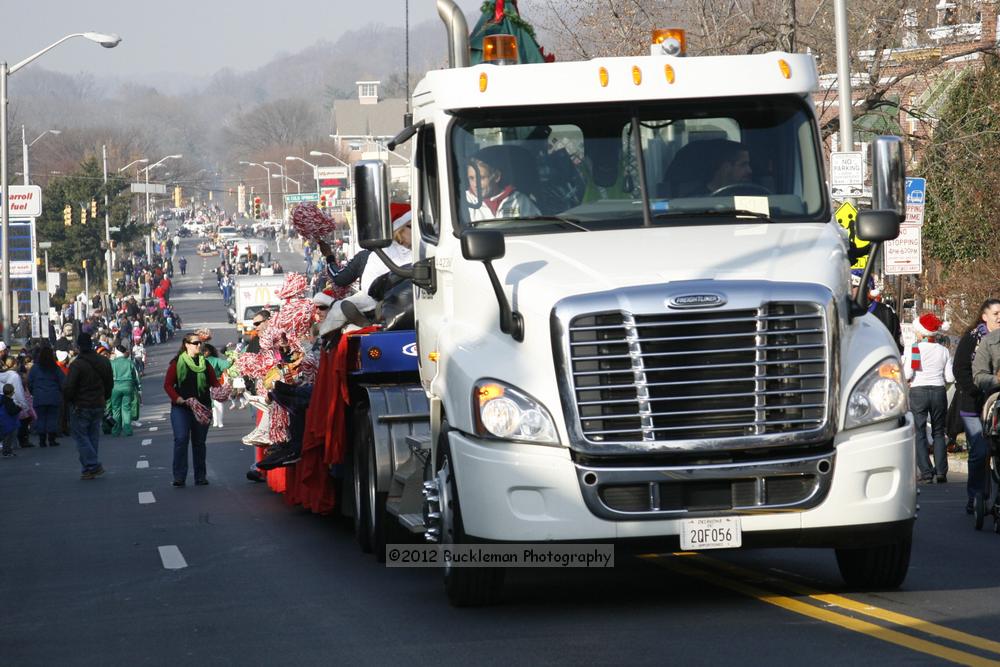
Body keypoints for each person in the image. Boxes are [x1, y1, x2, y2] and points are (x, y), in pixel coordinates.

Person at [953, 299, 1000, 513]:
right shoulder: (972, 339)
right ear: (984, 316)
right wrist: (976, 388)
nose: (999, 317)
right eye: (996, 313)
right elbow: (960, 368)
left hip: (996, 403)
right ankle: (975, 495)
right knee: (980, 450)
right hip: (973, 402)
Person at [163, 334, 221, 487]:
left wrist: (221, 391)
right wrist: (179, 399)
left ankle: (200, 476)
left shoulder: (205, 363)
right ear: (186, 344)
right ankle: (179, 476)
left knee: (199, 442)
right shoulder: (177, 363)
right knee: (181, 439)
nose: (198, 346)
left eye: (200, 343)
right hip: (182, 408)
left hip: (202, 407)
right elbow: (168, 385)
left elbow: (215, 383)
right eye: (195, 343)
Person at [904, 313, 954, 484]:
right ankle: (941, 471)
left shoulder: (914, 348)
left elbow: (908, 373)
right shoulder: (944, 351)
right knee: (939, 432)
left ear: (921, 332)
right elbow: (949, 378)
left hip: (918, 391)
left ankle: (926, 472)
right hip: (939, 391)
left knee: (919, 432)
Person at [63, 333, 113, 480]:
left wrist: (69, 400)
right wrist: (104, 397)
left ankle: (92, 465)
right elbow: (110, 383)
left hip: (81, 405)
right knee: (92, 436)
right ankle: (87, 469)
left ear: (78, 347)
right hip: (98, 403)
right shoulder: (104, 362)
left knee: (81, 437)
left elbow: (69, 387)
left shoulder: (76, 365)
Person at [465, 145, 541, 221]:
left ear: (497, 176)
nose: (475, 184)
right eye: (471, 178)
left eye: (481, 178)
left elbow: (537, 226)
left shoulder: (519, 201)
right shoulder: (464, 201)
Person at [27, 346, 65, 447]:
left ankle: (42, 440)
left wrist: (33, 391)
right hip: (53, 395)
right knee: (52, 418)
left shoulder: (35, 368)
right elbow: (63, 382)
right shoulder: (55, 368)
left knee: (40, 418)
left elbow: (29, 382)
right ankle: (52, 439)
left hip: (39, 396)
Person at [109, 345, 141, 437]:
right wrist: (138, 388)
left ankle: (116, 430)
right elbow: (136, 376)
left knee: (116, 409)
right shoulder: (129, 362)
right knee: (126, 409)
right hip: (128, 386)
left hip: (115, 387)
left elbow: (108, 376)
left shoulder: (112, 363)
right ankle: (128, 429)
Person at [201, 342, 231, 428]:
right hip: (205, 385)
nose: (204, 353)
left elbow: (226, 365)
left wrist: (231, 358)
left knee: (218, 402)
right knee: (212, 404)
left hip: (215, 384)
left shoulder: (215, 360)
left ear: (210, 351)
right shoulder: (200, 360)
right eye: (202, 351)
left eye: (205, 351)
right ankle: (215, 421)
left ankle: (220, 421)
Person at [0, 384, 21, 458]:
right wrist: (19, 408)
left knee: (5, 437)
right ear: (12, 392)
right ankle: (6, 452)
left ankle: (7, 451)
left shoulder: (1, 399)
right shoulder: (9, 402)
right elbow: (12, 412)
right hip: (9, 422)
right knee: (8, 438)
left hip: (3, 421)